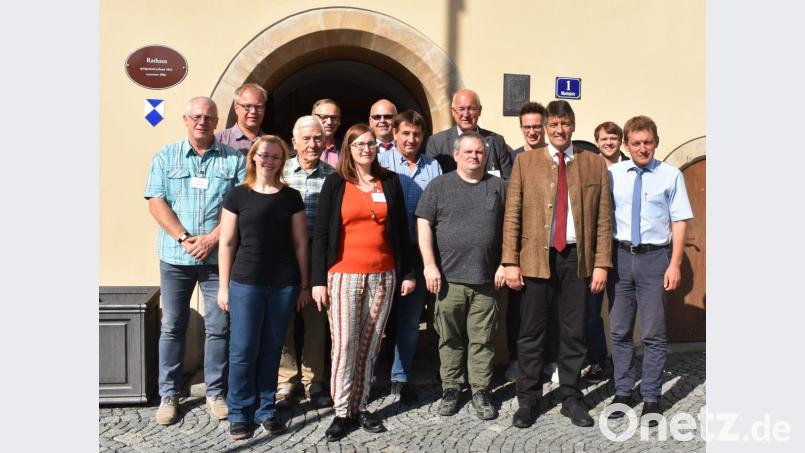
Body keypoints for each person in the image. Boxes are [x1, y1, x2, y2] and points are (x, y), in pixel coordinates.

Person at [502, 100, 612, 429]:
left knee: (573, 331)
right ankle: (528, 397)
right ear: (546, 129)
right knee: (531, 332)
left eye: (565, 124)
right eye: (553, 125)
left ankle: (570, 396)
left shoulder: (594, 164)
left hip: (577, 259)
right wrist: (510, 261)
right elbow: (513, 215)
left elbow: (603, 219)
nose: (559, 130)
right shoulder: (525, 162)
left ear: (573, 126)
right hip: (535, 258)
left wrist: (602, 263)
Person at [144, 96, 246, 426]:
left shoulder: (233, 159)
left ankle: (216, 393)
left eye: (209, 117)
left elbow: (241, 205)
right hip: (176, 257)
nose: (203, 121)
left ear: (217, 122)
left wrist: (212, 239)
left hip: (218, 258)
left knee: (219, 327)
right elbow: (156, 202)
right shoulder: (166, 155)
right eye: (197, 116)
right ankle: (169, 395)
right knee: (173, 326)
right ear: (185, 119)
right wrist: (184, 239)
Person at [311, 124, 415, 441]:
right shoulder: (335, 183)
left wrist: (408, 272)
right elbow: (322, 237)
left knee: (370, 344)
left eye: (370, 143)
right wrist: (317, 281)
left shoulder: (391, 182)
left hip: (383, 275)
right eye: (358, 144)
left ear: (377, 148)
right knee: (344, 344)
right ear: (348, 148)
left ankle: (361, 405)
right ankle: (342, 412)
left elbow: (400, 232)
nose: (365, 148)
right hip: (342, 275)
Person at [216, 136, 309, 439]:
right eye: (264, 156)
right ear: (254, 157)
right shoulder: (237, 196)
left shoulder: (291, 196)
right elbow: (227, 243)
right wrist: (223, 287)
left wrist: (304, 283)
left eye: (276, 157)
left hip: (283, 284)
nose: (269, 161)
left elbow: (300, 243)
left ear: (282, 162)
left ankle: (265, 409)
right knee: (243, 349)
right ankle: (240, 411)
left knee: (271, 350)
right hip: (245, 282)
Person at [605, 116, 692, 426]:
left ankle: (652, 397)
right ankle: (624, 391)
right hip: (620, 257)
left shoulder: (670, 176)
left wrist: (675, 263)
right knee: (620, 330)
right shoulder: (613, 174)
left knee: (654, 333)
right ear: (626, 145)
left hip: (655, 259)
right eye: (636, 143)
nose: (642, 148)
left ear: (656, 142)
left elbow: (680, 220)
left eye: (648, 142)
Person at [416, 131, 507, 421]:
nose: (473, 156)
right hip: (448, 280)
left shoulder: (499, 187)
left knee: (482, 340)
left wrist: (507, 262)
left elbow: (512, 227)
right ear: (455, 155)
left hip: (486, 280)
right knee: (449, 338)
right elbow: (423, 224)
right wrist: (429, 265)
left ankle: (481, 390)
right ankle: (452, 388)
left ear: (486, 155)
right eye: (467, 152)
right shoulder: (438, 186)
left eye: (479, 152)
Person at [377, 110, 442, 403]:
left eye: (416, 134)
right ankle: (372, 373)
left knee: (410, 319)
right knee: (378, 316)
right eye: (405, 133)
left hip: (419, 252)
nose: (411, 139)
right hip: (385, 250)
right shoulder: (381, 163)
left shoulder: (434, 167)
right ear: (395, 134)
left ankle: (399, 378)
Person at [276, 116, 336, 409]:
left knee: (316, 318)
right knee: (284, 317)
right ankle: (286, 380)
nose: (313, 144)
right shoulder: (280, 171)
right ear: (294, 140)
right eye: (307, 139)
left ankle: (315, 380)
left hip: (318, 254)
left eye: (318, 139)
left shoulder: (334, 175)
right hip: (283, 252)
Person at [504, 101, 560, 385]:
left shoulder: (558, 158)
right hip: (524, 248)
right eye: (527, 127)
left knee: (554, 309)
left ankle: (551, 360)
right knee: (521, 311)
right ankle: (518, 360)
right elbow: (510, 207)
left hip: (555, 246)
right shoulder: (513, 158)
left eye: (537, 126)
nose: (532, 132)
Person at [582, 121, 630, 383]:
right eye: (604, 139)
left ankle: (622, 360)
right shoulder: (590, 166)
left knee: (621, 307)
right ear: (596, 142)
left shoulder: (631, 167)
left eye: (613, 138)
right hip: (596, 248)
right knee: (592, 309)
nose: (608, 142)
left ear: (620, 141)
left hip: (623, 248)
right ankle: (598, 360)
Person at [425, 89, 513, 179]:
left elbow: (507, 182)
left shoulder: (496, 141)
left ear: (480, 110)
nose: (466, 114)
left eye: (471, 109)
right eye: (461, 109)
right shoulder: (436, 142)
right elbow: (433, 182)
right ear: (452, 111)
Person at [215, 83, 268, 155]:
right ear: (236, 108)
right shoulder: (218, 141)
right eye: (247, 106)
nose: (253, 111)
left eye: (258, 107)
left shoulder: (273, 144)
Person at [312, 99, 342, 167]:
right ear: (313, 118)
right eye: (324, 117)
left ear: (339, 121)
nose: (329, 122)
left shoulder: (346, 150)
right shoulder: (296, 150)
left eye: (334, 117)